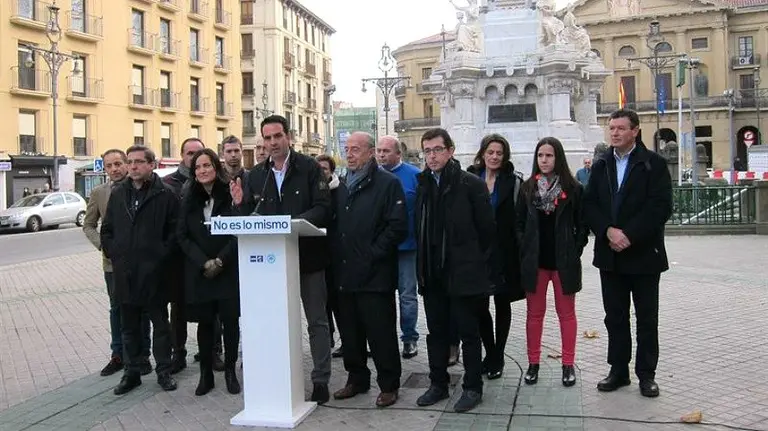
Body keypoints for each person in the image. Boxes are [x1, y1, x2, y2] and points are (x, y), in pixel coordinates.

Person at [230, 114, 332, 404]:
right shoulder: (256, 175)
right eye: (268, 138)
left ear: (288, 136)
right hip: (272, 265)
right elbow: (249, 218)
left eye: (278, 136)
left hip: (309, 259)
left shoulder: (310, 168)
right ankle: (278, 375)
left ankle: (321, 378)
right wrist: (239, 205)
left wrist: (289, 224)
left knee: (317, 321)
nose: (272, 143)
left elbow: (324, 208)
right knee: (275, 321)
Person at [583, 109, 672, 398]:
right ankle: (618, 370)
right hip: (611, 255)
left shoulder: (653, 164)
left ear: (635, 131)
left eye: (621, 128)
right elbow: (590, 205)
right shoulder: (601, 165)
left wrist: (629, 235)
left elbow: (660, 208)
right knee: (615, 316)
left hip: (644, 254)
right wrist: (607, 230)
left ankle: (646, 375)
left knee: (647, 318)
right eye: (612, 128)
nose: (615, 133)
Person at [415, 128, 498, 413]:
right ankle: (438, 383)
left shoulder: (470, 184)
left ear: (450, 151)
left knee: (468, 332)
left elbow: (487, 231)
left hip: (464, 273)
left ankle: (473, 387)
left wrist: (473, 263)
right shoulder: (422, 183)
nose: (432, 156)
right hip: (432, 273)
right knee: (436, 332)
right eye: (427, 151)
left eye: (437, 149)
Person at [331, 132, 407, 408]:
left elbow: (397, 226)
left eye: (356, 149)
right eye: (347, 149)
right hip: (345, 273)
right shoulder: (339, 185)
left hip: (375, 274)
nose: (349, 154)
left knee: (380, 333)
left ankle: (388, 385)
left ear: (371, 152)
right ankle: (356, 379)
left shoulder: (388, 184)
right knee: (350, 332)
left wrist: (373, 254)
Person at [101, 145, 179, 395]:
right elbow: (107, 230)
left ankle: (164, 371)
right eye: (130, 162)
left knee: (160, 326)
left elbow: (174, 234)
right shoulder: (119, 194)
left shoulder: (165, 195)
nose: (133, 167)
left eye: (138, 162)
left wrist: (159, 258)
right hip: (126, 274)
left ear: (151, 165)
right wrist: (116, 255)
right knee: (129, 327)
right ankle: (132, 372)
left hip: (155, 274)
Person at [515, 137, 588, 387]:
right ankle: (533, 363)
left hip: (563, 262)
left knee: (566, 315)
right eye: (540, 156)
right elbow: (519, 224)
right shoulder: (527, 189)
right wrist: (525, 246)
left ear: (558, 158)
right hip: (535, 262)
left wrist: (574, 249)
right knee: (534, 315)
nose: (544, 160)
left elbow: (582, 225)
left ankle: (568, 364)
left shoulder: (573, 188)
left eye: (549, 156)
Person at [177, 148, 241, 396]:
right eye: (198, 167)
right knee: (204, 325)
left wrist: (221, 261)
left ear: (217, 167)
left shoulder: (231, 193)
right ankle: (205, 375)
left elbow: (239, 229)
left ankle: (230, 372)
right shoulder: (187, 197)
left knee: (230, 324)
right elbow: (182, 236)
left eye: (207, 166)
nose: (203, 171)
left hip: (226, 270)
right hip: (200, 272)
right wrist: (204, 262)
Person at [83, 149, 152, 377]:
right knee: (117, 309)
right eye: (109, 165)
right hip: (113, 264)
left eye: (118, 164)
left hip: (140, 263)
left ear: (126, 164)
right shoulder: (99, 193)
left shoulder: (141, 187)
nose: (114, 169)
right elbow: (89, 225)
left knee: (142, 309)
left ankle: (142, 355)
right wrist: (103, 246)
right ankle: (118, 354)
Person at [466, 134, 525, 380]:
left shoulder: (513, 182)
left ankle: (498, 355)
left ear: (505, 156)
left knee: (502, 303)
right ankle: (488, 352)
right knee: (479, 307)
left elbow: (520, 218)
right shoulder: (469, 179)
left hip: (504, 252)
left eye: (499, 153)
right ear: (482, 153)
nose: (494, 157)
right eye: (490, 152)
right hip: (476, 253)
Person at [164, 138, 224, 373]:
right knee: (178, 309)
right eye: (190, 154)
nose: (195, 159)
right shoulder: (169, 183)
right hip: (181, 258)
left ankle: (213, 352)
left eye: (199, 154)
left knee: (212, 308)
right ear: (182, 155)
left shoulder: (218, 186)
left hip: (211, 258)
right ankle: (177, 353)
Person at [376, 135, 421, 359]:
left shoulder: (415, 176)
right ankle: (382, 340)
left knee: (407, 295)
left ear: (398, 154)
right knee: (381, 296)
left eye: (386, 151)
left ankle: (410, 339)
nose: (381, 155)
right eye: (379, 151)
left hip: (408, 247)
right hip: (381, 248)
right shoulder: (371, 176)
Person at [316, 154, 344, 358]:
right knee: (322, 302)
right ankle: (328, 338)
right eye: (318, 169)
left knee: (338, 302)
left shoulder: (340, 190)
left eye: (324, 168)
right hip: (317, 254)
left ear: (331, 170)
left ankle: (345, 340)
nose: (321, 172)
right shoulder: (313, 192)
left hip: (337, 255)